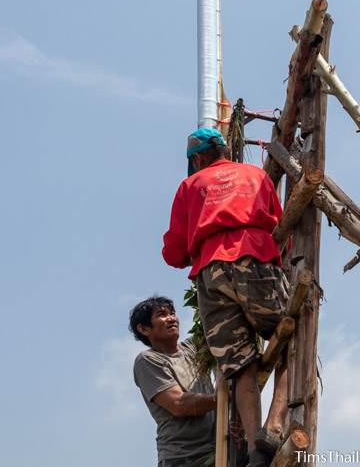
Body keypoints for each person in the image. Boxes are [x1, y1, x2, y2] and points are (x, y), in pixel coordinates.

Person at [162, 128, 290, 467]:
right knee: (290, 338)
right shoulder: (256, 175)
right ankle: (275, 425)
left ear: (197, 158)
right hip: (255, 257)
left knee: (239, 364)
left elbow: (174, 252)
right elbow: (279, 226)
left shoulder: (190, 186)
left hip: (210, 271)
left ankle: (255, 448)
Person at [129, 296, 217, 467]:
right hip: (185, 458)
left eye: (173, 313)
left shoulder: (193, 348)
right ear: (144, 328)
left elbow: (217, 325)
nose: (171, 318)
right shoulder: (148, 360)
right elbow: (179, 404)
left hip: (219, 449)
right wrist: (223, 398)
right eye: (162, 314)